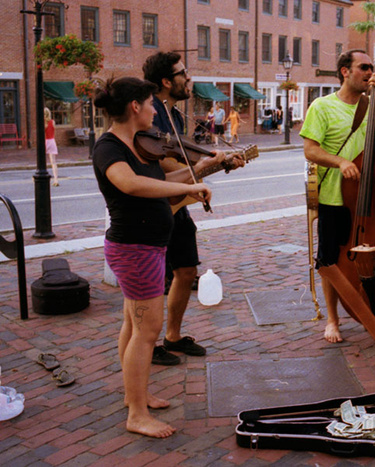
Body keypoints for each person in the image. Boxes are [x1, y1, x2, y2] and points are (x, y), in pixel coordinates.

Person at [92, 77, 213, 438]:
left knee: (134, 326)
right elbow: (130, 184)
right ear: (135, 107)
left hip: (145, 247)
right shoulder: (109, 148)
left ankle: (136, 397)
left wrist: (201, 171)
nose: (153, 111)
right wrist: (187, 186)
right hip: (135, 249)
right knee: (147, 331)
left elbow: (165, 178)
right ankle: (137, 414)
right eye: (149, 104)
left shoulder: (136, 144)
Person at [143, 51, 241, 366]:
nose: (189, 78)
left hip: (177, 204)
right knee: (150, 283)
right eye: (183, 73)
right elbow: (160, 161)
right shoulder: (149, 111)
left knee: (186, 271)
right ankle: (147, 344)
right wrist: (199, 171)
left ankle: (172, 336)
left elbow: (182, 158)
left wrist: (219, 164)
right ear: (166, 81)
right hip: (155, 206)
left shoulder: (174, 115)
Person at [300, 49, 375, 343]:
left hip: (369, 198)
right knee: (330, 262)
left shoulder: (372, 105)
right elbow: (310, 150)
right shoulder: (322, 106)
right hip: (334, 198)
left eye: (372, 67)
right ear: (345, 71)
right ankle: (332, 320)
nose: (370, 72)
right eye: (364, 67)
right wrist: (340, 162)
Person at [45, 108, 59, 186]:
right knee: (53, 162)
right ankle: (56, 179)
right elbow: (54, 131)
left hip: (45, 141)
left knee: (41, 162)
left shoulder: (43, 123)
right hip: (52, 141)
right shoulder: (52, 122)